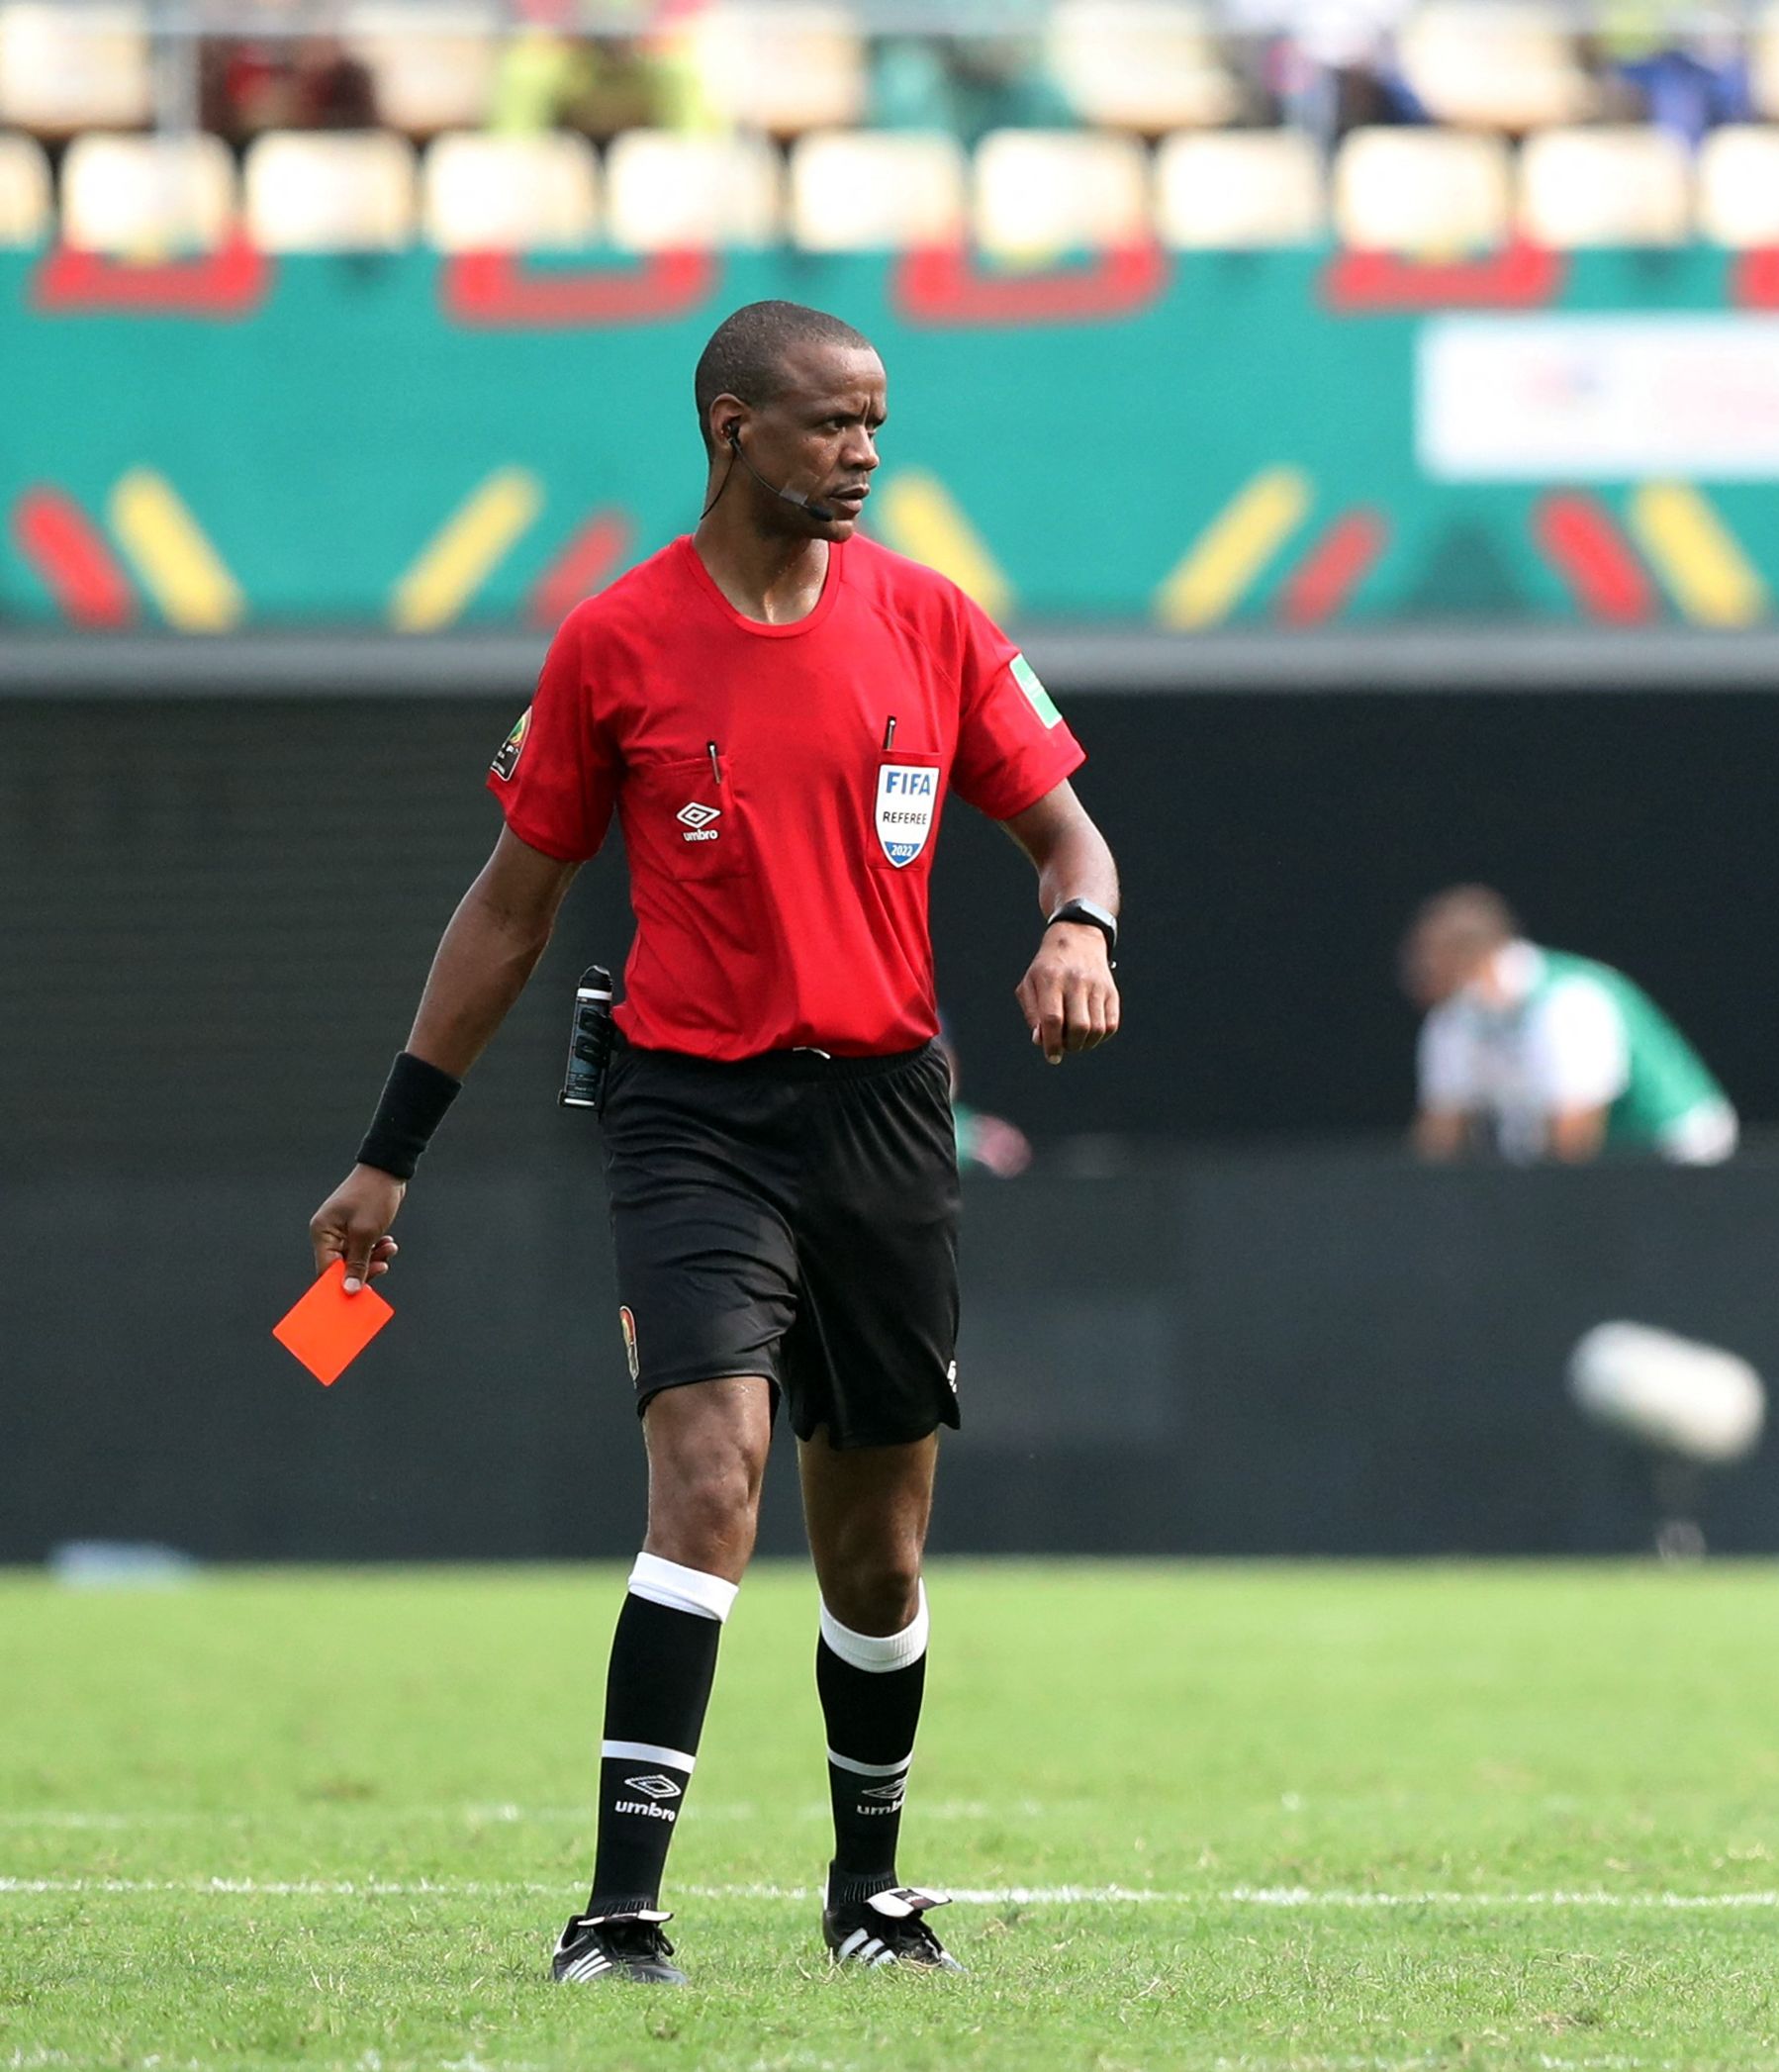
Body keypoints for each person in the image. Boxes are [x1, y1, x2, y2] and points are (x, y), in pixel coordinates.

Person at [306, 300, 1124, 1984]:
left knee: (878, 1538)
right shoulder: (613, 642)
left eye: (878, 425)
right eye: (832, 425)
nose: (865, 456)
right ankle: (619, 1910)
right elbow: (510, 910)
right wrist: (392, 1148)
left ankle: (869, 1889)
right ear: (732, 425)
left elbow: (1066, 832)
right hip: (692, 1109)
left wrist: (1082, 927)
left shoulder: (932, 620)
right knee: (706, 1476)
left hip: (891, 1110)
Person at [1404, 886, 1735, 1167]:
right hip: (1606, 1166)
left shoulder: (1569, 1002)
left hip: (1675, 1152)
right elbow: (1441, 1131)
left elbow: (1575, 1135)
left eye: (1436, 964)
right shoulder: (1454, 1018)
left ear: (1476, 959)